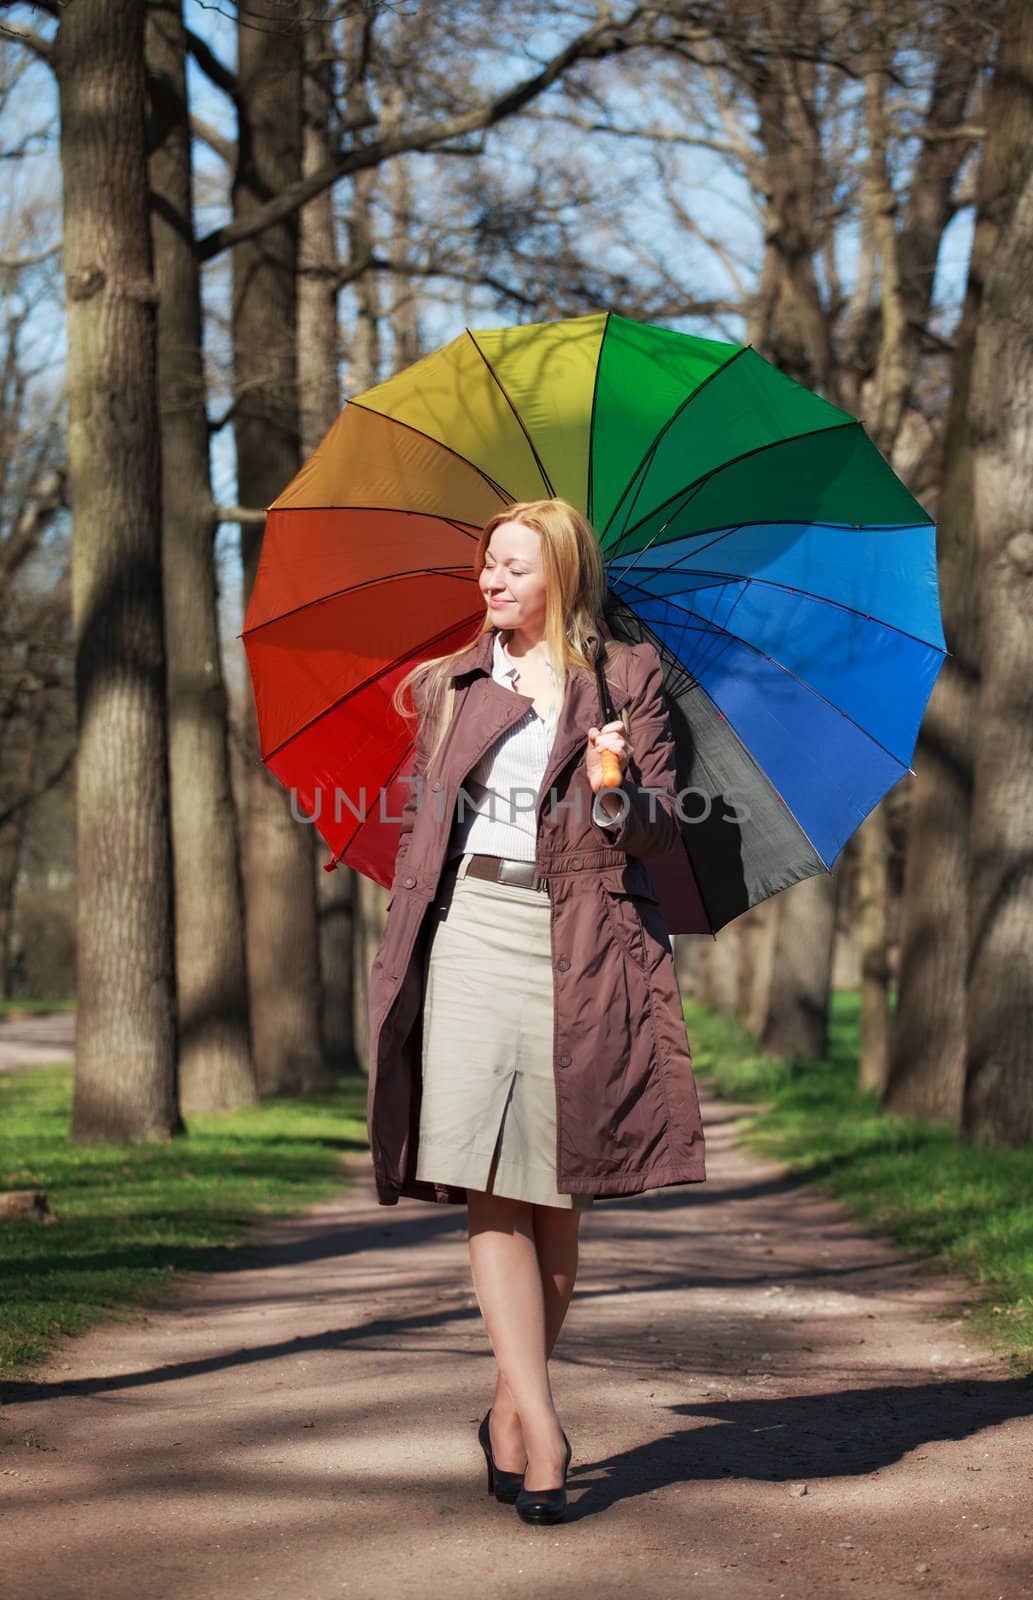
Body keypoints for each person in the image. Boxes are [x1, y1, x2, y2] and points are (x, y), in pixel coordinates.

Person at [368, 498, 705, 1525]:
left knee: (560, 1195)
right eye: (484, 568)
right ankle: (546, 1426)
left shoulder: (631, 678)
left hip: (585, 939)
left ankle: (508, 1409)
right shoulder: (459, 681)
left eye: (509, 568)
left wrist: (614, 784)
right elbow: (430, 822)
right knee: (485, 1180)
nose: (488, 584)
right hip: (471, 926)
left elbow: (656, 831)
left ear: (559, 573)